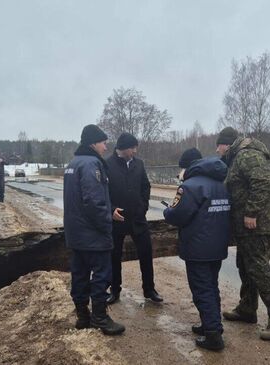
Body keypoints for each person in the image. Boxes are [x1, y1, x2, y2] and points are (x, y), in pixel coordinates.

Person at [216, 127, 270, 341]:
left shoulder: (248, 154)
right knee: (245, 266)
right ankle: (247, 308)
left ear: (228, 143)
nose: (217, 149)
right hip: (247, 226)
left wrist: (251, 212)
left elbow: (263, 182)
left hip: (256, 224)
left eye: (219, 145)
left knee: (258, 269)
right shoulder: (236, 157)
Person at [163, 148, 230, 351]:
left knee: (202, 289)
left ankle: (213, 335)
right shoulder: (220, 184)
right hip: (217, 245)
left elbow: (177, 215)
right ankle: (212, 324)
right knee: (211, 286)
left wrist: (168, 210)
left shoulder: (190, 187)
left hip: (198, 247)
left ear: (187, 167)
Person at [64, 124, 125, 336]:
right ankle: (100, 317)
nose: (106, 147)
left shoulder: (73, 163)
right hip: (93, 235)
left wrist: (109, 210)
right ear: (93, 143)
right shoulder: (92, 165)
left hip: (76, 234)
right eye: (103, 142)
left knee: (79, 274)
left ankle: (83, 316)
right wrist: (106, 224)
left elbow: (81, 200)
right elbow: (92, 200)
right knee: (101, 275)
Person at [106, 133, 162, 304]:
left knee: (146, 253)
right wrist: (111, 210)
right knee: (114, 256)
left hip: (138, 218)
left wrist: (143, 206)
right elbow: (102, 192)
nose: (135, 151)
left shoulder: (139, 164)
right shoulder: (107, 164)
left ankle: (149, 289)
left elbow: (146, 186)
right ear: (124, 149)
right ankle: (114, 290)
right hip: (117, 219)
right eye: (133, 148)